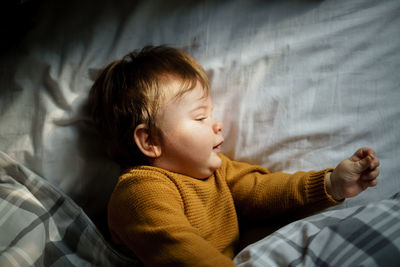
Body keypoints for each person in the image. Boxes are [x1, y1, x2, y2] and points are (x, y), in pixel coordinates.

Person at [88, 45, 380, 266]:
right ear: (150, 141)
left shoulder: (217, 172)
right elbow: (181, 252)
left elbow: (263, 191)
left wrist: (330, 184)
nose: (217, 124)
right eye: (201, 117)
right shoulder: (140, 192)